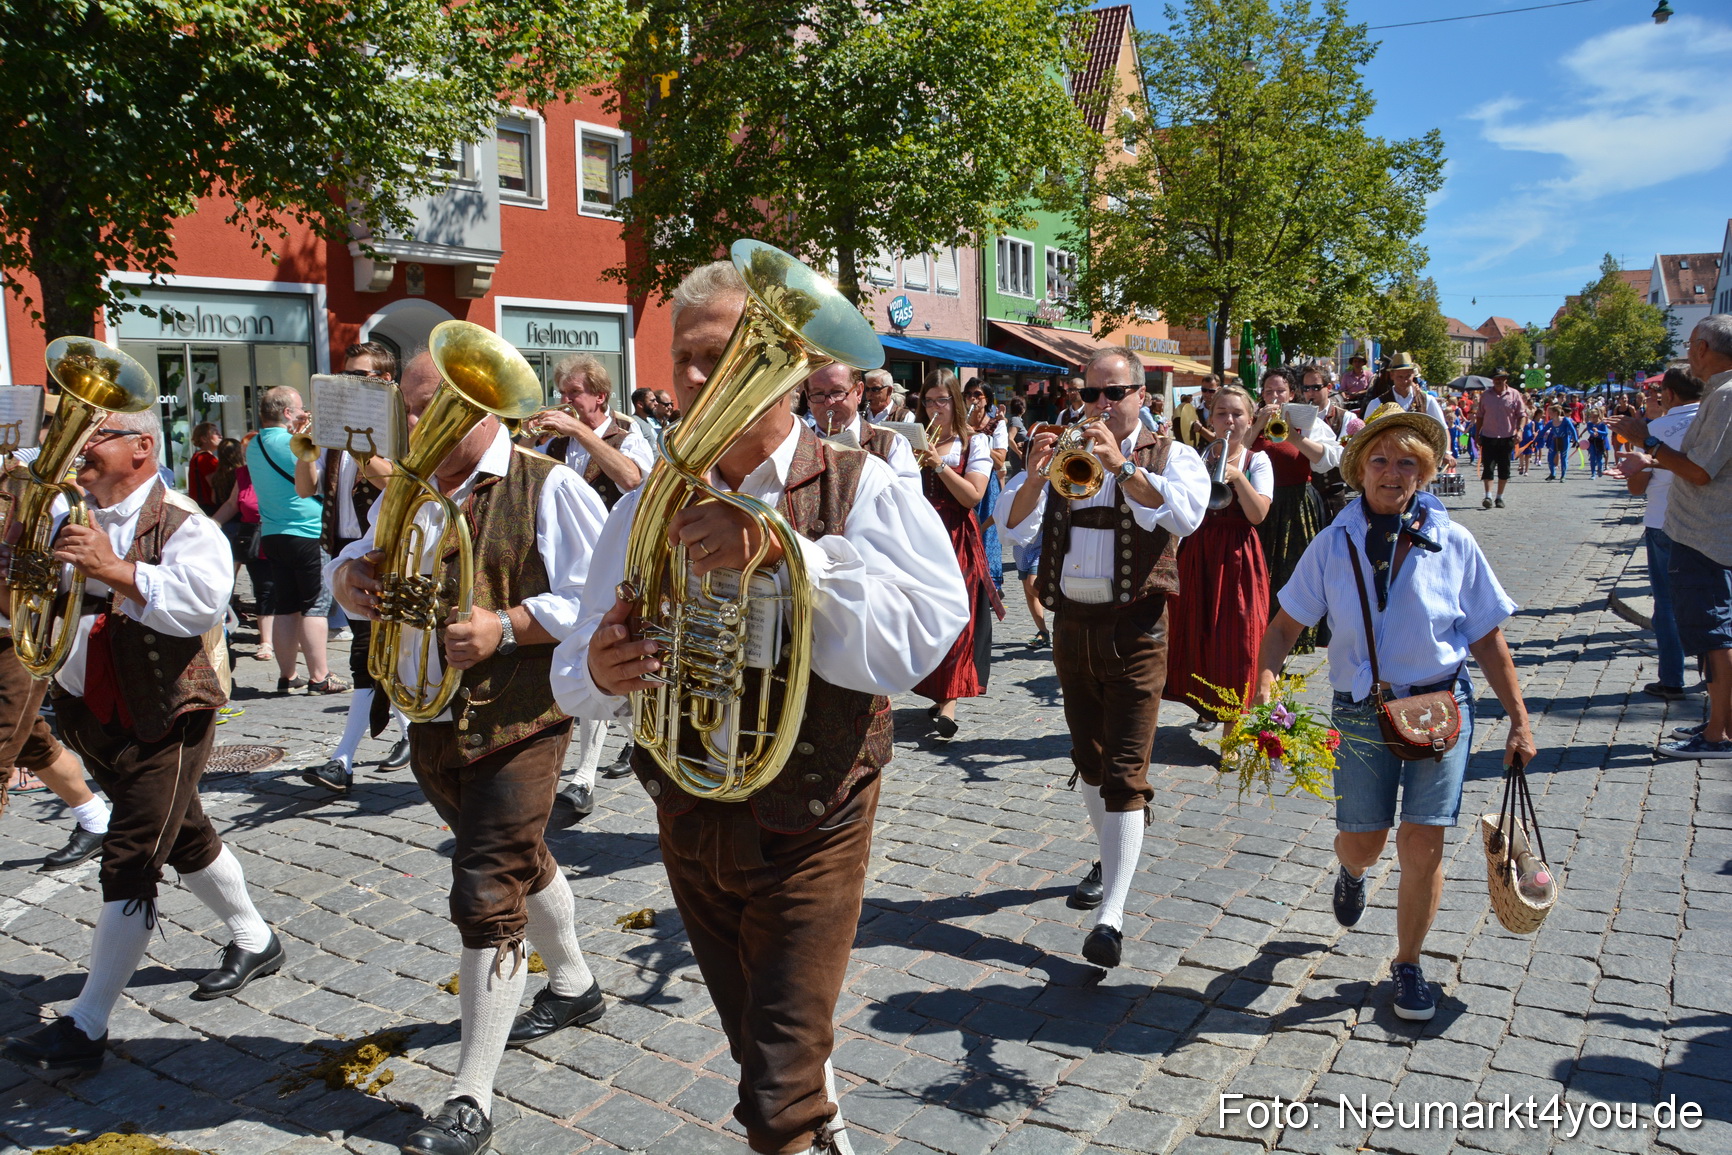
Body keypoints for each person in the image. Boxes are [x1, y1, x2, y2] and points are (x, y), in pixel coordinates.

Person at [553, 258, 967, 1155]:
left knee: (773, 1099)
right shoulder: (645, 505)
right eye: (682, 360)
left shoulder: (865, 481)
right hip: (688, 814)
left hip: (812, 818)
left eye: (719, 356)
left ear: (781, 363)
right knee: (766, 1058)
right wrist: (600, 663)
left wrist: (784, 553)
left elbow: (925, 635)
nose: (693, 381)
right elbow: (574, 669)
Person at [329, 350, 610, 1155]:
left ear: (480, 406)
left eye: (427, 410)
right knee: (519, 855)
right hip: (432, 715)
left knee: (486, 884)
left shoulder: (546, 483)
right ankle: (578, 985)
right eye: (411, 410)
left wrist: (508, 624)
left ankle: (468, 1097)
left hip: (522, 713)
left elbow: (601, 598)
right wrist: (351, 580)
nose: (411, 426)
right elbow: (354, 560)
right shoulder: (414, 492)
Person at [0, 405, 285, 1074]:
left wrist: (114, 568)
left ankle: (86, 1023)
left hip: (169, 713)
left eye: (95, 435)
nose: (76, 447)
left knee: (131, 856)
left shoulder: (183, 520)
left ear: (142, 447)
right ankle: (255, 936)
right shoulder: (64, 513)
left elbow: (202, 604)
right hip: (90, 710)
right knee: (182, 833)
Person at [1256, 410, 1534, 1021]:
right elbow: (1280, 631)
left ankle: (1408, 965)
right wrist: (1266, 691)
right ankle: (1351, 873)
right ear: (1358, 470)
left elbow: (1487, 639)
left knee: (1423, 842)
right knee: (1365, 841)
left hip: (1440, 707)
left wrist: (1518, 719)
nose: (1392, 472)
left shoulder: (1454, 541)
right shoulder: (1333, 543)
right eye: (1379, 460)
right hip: (1360, 710)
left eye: (1407, 461)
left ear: (1425, 472)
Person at [997, 346, 1208, 967]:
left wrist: (1121, 467)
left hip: (1137, 628)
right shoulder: (1062, 449)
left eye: (1114, 393)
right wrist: (1036, 474)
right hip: (1073, 626)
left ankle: (1111, 916)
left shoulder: (1175, 456)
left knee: (1122, 768)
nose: (1100, 406)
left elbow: (1187, 516)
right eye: (1090, 394)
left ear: (1143, 395)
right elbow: (1014, 528)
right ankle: (1113, 853)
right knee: (1086, 761)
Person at [1614, 314, 1732, 760]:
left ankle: (1720, 735)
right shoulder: (1721, 394)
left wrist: (1649, 445)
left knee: (1713, 634)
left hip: (1707, 535)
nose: (1686, 353)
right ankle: (1720, 720)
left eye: (1689, 344)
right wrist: (1656, 458)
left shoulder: (1724, 395)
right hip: (1703, 531)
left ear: (1703, 347)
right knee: (1709, 631)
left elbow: (1701, 471)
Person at [294, 343, 408, 794]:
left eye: (358, 375)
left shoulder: (394, 427)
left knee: (367, 651)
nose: (347, 382)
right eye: (345, 374)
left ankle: (342, 759)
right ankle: (409, 733)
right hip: (342, 548)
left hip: (379, 551)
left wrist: (355, 440)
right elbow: (307, 489)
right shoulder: (337, 433)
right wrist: (305, 448)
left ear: (383, 381)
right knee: (376, 649)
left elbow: (391, 482)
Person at [1164, 385, 1273, 727]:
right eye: (1222, 413)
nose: (1229, 421)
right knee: (1198, 632)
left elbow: (1258, 515)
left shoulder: (1259, 460)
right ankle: (1206, 703)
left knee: (1239, 638)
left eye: (1237, 414)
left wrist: (1239, 477)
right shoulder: (1196, 457)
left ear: (1250, 420)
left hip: (1239, 555)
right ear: (1210, 419)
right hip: (1200, 550)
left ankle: (1232, 725)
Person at [909, 370, 995, 738]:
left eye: (942, 401)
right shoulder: (911, 439)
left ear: (955, 403)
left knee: (958, 616)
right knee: (924, 617)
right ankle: (937, 688)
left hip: (956, 537)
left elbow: (972, 496)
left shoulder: (974, 443)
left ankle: (950, 702)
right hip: (920, 539)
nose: (934, 408)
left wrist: (937, 463)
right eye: (928, 401)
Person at [249, 386, 346, 694]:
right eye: (301, 408)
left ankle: (287, 676)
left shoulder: (252, 445)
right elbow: (313, 482)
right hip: (306, 531)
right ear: (288, 413)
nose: (306, 413)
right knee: (315, 605)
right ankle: (320, 676)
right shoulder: (292, 442)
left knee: (286, 607)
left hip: (273, 534)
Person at [1619, 369, 1702, 702]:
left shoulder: (1655, 430)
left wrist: (1634, 470)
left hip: (1663, 523)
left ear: (1669, 395)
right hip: (1709, 523)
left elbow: (1637, 488)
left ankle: (1672, 679)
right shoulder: (1715, 423)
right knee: (1713, 601)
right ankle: (1714, 676)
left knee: (1667, 603)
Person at [1247, 368, 1343, 654]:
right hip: (1260, 506)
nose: (1274, 397)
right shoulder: (1253, 420)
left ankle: (1291, 641)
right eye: (1268, 392)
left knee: (1294, 574)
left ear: (1291, 394)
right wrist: (1256, 426)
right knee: (1261, 572)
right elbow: (1233, 454)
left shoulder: (1307, 421)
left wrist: (1296, 437)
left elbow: (1329, 460)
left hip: (1296, 506)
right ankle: (1259, 636)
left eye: (1280, 392)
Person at [805, 363, 920, 492]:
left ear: (859, 392)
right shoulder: (798, 443)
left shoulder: (893, 443)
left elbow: (907, 502)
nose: (829, 402)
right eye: (818, 394)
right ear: (808, 398)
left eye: (837, 392)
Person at [1303, 365, 1363, 522]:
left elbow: (1343, 455)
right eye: (1306, 388)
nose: (1310, 393)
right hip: (1304, 497)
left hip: (1334, 495)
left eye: (1316, 387)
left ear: (1328, 388)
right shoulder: (1298, 417)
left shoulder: (1346, 418)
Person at [966, 380, 1008, 594]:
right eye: (969, 394)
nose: (973, 399)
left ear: (988, 399)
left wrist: (978, 438)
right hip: (964, 481)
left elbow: (1000, 461)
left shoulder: (996, 424)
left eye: (978, 395)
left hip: (988, 483)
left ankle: (990, 584)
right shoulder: (960, 422)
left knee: (987, 531)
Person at [1473, 370, 1526, 509]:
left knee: (1504, 469)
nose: (1498, 381)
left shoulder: (1514, 394)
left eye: (1501, 378)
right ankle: (1488, 496)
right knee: (1488, 468)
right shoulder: (1485, 395)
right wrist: (1477, 434)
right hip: (1489, 436)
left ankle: (1499, 497)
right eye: (1496, 378)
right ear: (1493, 380)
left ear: (1505, 380)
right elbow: (1480, 416)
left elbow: (1522, 415)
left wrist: (1520, 430)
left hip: (1507, 437)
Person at [1363, 353, 1448, 431]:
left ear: (1413, 374)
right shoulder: (1377, 404)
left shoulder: (1428, 401)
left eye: (1408, 376)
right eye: (1400, 377)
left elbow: (1443, 429)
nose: (1404, 381)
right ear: (1392, 375)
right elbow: (1366, 434)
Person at [1174, 376, 1219, 450]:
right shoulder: (1195, 412)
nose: (1207, 394)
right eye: (1204, 390)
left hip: (1216, 456)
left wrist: (1201, 429)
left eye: (1211, 391)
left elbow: (1218, 440)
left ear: (1218, 390)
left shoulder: (1223, 413)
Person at [186, 422, 222, 514]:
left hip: (201, 507)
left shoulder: (197, 456)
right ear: (204, 439)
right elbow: (216, 484)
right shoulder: (205, 458)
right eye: (215, 433)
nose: (220, 436)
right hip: (209, 508)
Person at [1541, 403, 1579, 482]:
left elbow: (1572, 430)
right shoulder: (1551, 422)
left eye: (1550, 412)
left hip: (1564, 440)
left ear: (1555, 413)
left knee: (1563, 458)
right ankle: (1553, 474)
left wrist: (1576, 440)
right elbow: (1542, 431)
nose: (1548, 414)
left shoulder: (1565, 420)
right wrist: (1534, 441)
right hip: (1555, 440)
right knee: (1550, 458)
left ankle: (1563, 476)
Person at [1583, 406, 1612, 478]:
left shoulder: (1602, 424)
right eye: (1591, 417)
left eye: (1594, 417)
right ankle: (1593, 473)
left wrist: (1598, 431)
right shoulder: (1590, 423)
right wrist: (1593, 433)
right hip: (1592, 441)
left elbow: (1605, 433)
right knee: (1592, 457)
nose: (1592, 419)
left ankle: (1600, 468)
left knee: (1599, 458)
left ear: (1597, 416)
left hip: (1600, 442)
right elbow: (1589, 430)